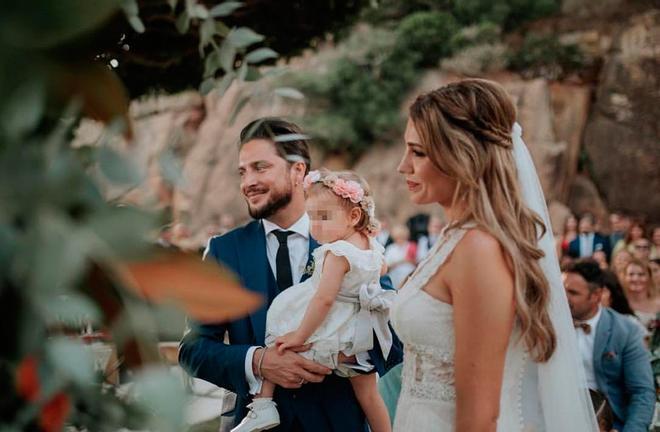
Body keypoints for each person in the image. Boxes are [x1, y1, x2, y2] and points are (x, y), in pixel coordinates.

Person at [391, 78, 598, 430]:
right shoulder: (454, 239)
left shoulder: (478, 249)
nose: (403, 166)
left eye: (419, 152)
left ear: (462, 156)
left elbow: (479, 417)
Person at [178, 118, 402, 432]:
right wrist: (258, 361)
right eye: (242, 171)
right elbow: (193, 349)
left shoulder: (351, 242)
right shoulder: (223, 252)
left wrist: (343, 360)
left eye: (260, 167)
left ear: (298, 171)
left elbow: (391, 333)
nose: (248, 182)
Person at [231, 169, 393, 432]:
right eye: (311, 217)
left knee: (278, 336)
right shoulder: (371, 246)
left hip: (330, 328)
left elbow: (324, 299)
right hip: (356, 334)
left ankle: (263, 405)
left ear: (353, 216)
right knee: (370, 396)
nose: (315, 226)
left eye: (324, 217)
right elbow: (380, 271)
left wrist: (299, 335)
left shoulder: (336, 252)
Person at [563, 259, 655, 431]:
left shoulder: (625, 331)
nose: (564, 298)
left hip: (609, 424)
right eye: (562, 290)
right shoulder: (548, 327)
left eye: (573, 293)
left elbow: (642, 392)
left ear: (596, 295)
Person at [623, 259, 660, 330]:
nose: (636, 278)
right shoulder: (619, 304)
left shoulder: (658, 304)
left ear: (649, 277)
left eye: (641, 274)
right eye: (631, 274)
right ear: (625, 277)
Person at [383, 225, 416, 289]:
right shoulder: (391, 248)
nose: (400, 239)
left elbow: (417, 262)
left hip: (409, 277)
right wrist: (401, 262)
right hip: (395, 278)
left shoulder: (411, 246)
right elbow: (386, 266)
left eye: (402, 237)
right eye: (398, 237)